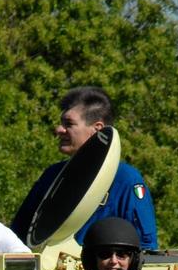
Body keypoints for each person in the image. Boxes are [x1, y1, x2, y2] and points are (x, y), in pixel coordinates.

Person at [9, 86, 158, 250]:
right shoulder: (52, 175)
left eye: (69, 124)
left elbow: (146, 245)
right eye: (61, 123)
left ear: (97, 129)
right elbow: (18, 234)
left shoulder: (126, 179)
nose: (59, 129)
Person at [80, 217, 144, 270]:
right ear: (92, 260)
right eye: (105, 254)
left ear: (133, 260)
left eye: (121, 254)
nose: (113, 261)